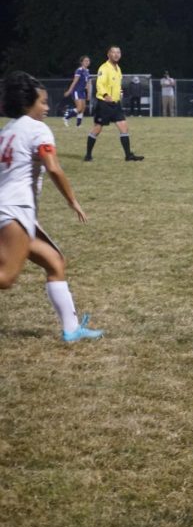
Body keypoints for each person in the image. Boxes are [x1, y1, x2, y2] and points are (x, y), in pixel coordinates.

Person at [0, 71, 104, 342]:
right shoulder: (36, 128)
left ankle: (71, 329)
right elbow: (54, 169)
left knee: (55, 262)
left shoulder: (7, 130)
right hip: (14, 209)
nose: (46, 108)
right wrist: (73, 201)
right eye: (42, 103)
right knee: (7, 278)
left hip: (12, 209)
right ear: (28, 104)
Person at [84, 46, 144, 162]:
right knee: (97, 129)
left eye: (118, 52)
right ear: (108, 54)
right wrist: (106, 95)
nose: (116, 54)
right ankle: (88, 155)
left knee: (124, 127)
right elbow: (100, 84)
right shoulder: (104, 68)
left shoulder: (118, 68)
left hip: (115, 104)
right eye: (113, 52)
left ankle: (128, 156)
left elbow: (117, 85)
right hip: (104, 104)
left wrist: (119, 93)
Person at [62, 56, 92, 127]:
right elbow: (74, 81)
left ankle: (78, 125)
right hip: (76, 91)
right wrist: (69, 91)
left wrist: (88, 94)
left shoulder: (87, 71)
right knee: (79, 108)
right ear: (81, 62)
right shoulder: (79, 70)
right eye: (85, 61)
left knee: (83, 108)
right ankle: (66, 117)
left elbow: (87, 83)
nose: (87, 62)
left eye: (88, 61)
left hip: (82, 92)